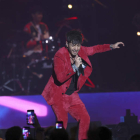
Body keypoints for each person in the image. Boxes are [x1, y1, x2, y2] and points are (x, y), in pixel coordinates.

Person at [42, 30, 125, 140]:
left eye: (78, 45)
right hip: (58, 94)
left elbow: (95, 49)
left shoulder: (81, 50)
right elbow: (60, 78)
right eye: (73, 45)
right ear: (67, 44)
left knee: (85, 118)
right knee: (62, 122)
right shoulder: (60, 55)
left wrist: (111, 46)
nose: (76, 48)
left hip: (71, 93)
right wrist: (74, 67)